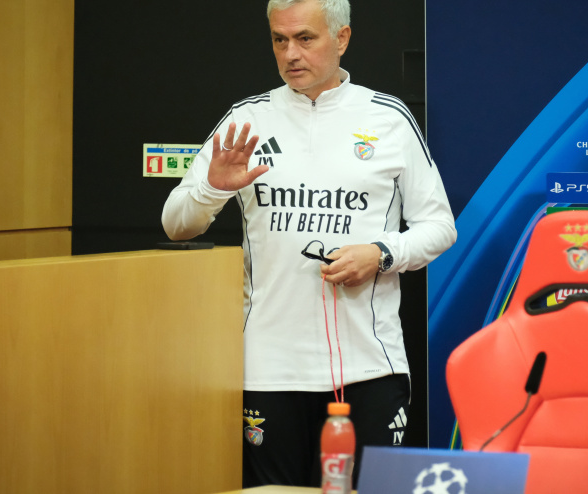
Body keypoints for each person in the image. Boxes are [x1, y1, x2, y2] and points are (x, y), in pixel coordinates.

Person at [162, 0, 456, 487]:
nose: (291, 53)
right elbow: (176, 224)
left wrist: (380, 254)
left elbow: (439, 226)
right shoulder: (246, 120)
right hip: (267, 367)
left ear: (341, 39)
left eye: (305, 38)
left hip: (370, 365)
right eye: (280, 40)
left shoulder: (388, 117)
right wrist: (213, 187)